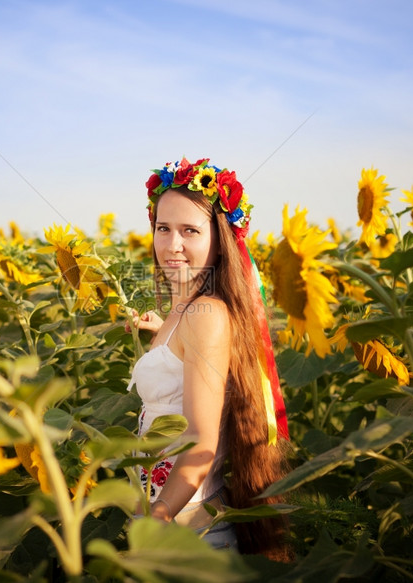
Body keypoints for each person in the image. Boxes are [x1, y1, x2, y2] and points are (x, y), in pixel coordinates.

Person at [126, 156, 293, 561]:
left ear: (219, 238)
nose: (172, 245)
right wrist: (161, 335)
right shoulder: (187, 308)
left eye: (190, 231)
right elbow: (190, 361)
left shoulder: (206, 315)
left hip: (188, 531)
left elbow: (200, 439)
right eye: (163, 229)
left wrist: (160, 511)